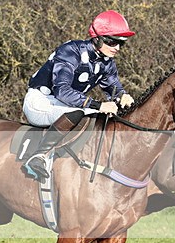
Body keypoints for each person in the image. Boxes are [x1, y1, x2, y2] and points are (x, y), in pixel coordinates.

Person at [21, 10, 138, 181]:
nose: (117, 48)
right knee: (79, 113)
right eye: (113, 42)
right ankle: (38, 156)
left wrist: (123, 95)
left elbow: (114, 87)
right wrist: (99, 105)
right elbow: (62, 91)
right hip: (40, 102)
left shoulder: (107, 62)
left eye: (122, 44)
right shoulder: (71, 51)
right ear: (97, 38)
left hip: (65, 105)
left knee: (97, 117)